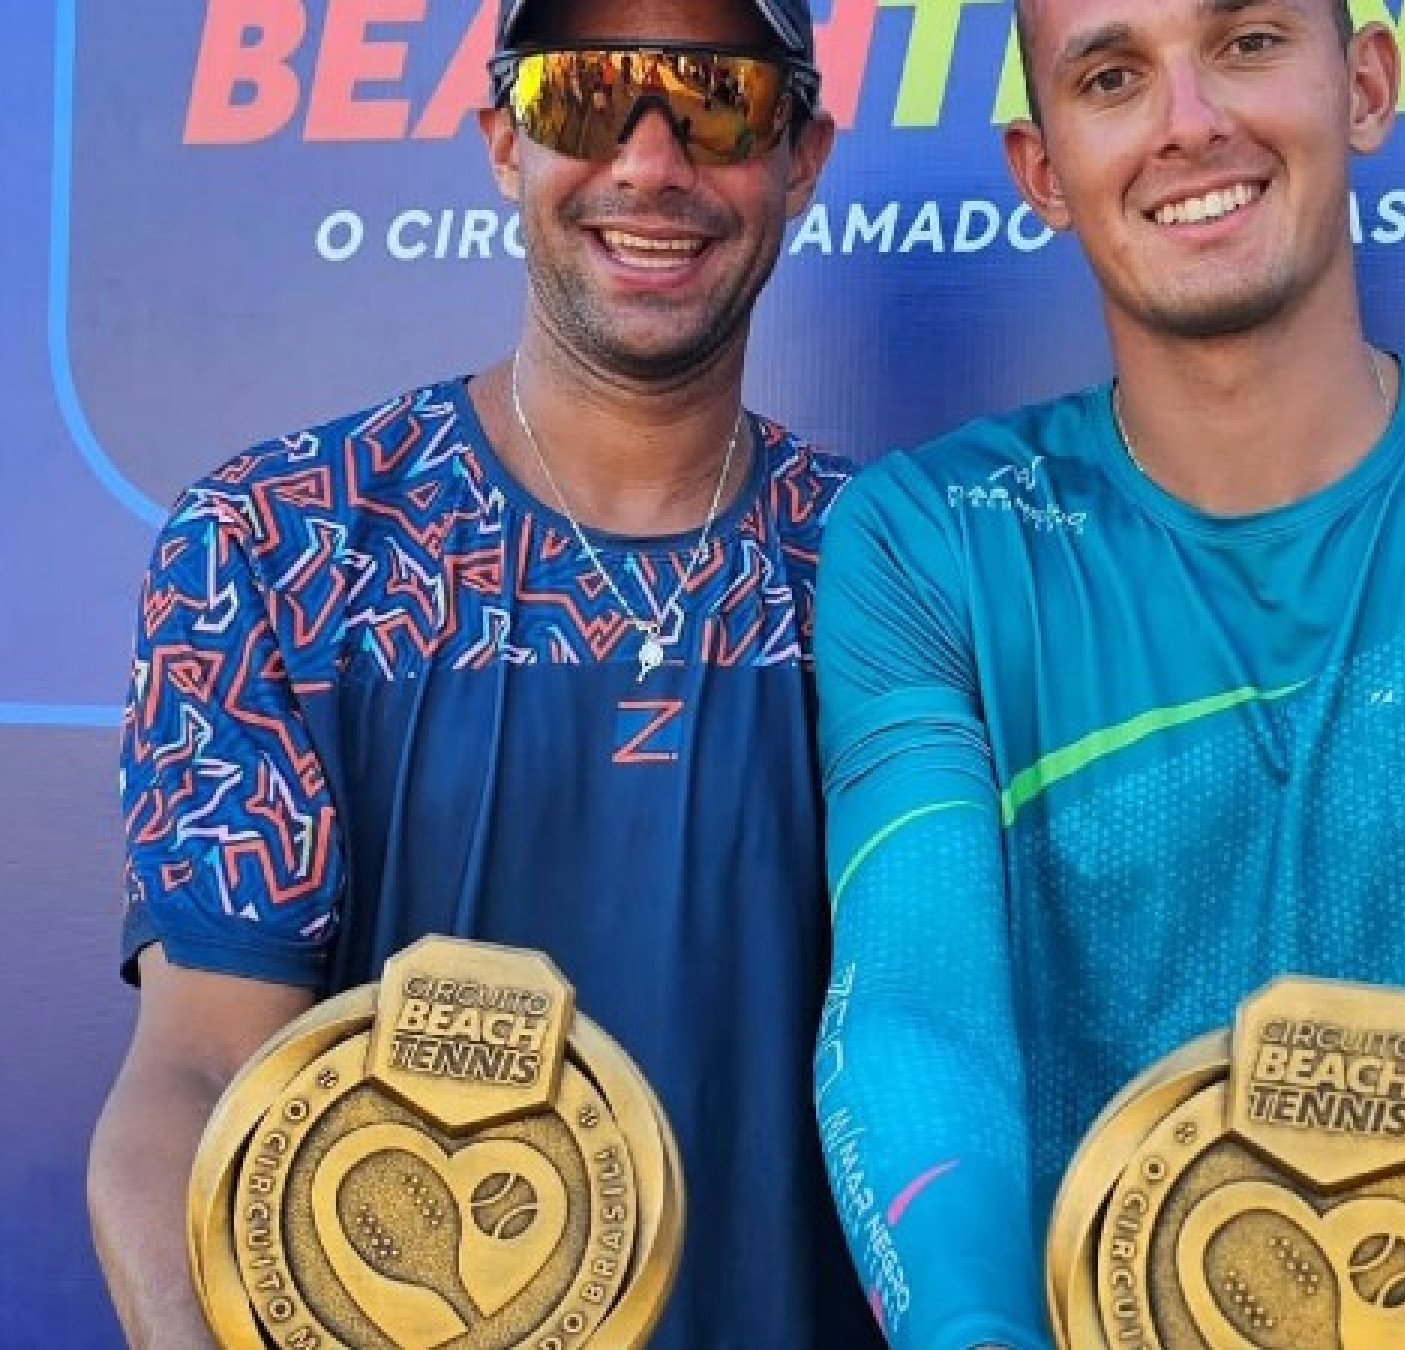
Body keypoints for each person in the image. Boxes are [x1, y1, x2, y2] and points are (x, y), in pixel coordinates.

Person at [811, 1, 1405, 1347]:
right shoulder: (928, 535)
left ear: (1368, 86)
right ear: (1042, 170)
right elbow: (920, 1013)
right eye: (1113, 76)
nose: (1190, 122)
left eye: (1250, 42)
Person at [88, 1, 884, 1346]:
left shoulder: (892, 574)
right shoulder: (279, 542)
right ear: (502, 141)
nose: (648, 161)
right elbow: (203, 1064)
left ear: (801, 155)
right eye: (586, 96)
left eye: (717, 99)